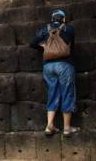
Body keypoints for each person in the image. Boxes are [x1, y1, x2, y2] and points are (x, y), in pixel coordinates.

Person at [29, 9, 79, 137]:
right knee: (67, 93)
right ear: (63, 19)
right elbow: (72, 44)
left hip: (48, 66)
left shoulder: (44, 29)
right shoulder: (69, 29)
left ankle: (49, 125)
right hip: (64, 65)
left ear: (52, 19)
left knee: (52, 92)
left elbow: (32, 43)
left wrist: (44, 46)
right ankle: (67, 128)